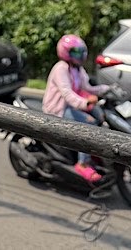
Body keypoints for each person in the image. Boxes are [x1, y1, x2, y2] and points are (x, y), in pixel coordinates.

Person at [42, 34, 110, 182]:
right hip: (58, 108)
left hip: (72, 104)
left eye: (81, 52)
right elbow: (67, 94)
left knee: (99, 116)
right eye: (76, 52)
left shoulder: (77, 68)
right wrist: (85, 103)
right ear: (66, 53)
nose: (80, 55)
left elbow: (87, 87)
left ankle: (91, 152)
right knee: (88, 124)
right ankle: (83, 163)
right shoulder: (61, 68)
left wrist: (107, 89)